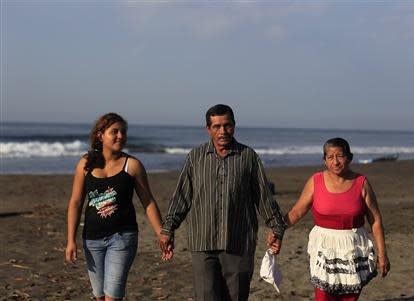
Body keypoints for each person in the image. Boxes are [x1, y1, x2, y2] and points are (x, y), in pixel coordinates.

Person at [159, 104, 286, 301]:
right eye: (216, 126)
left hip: (238, 242)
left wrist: (276, 228)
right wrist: (168, 229)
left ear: (234, 126)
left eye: (227, 125)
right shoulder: (195, 157)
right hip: (203, 242)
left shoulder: (248, 157)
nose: (222, 131)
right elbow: (181, 198)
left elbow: (263, 197)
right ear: (208, 129)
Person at [65, 113, 171, 301]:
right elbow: (75, 202)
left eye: (123, 132)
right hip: (92, 240)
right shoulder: (85, 164)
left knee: (112, 297)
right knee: (99, 296)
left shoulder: (133, 166)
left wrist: (161, 233)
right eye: (114, 132)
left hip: (122, 238)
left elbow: (148, 202)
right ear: (100, 135)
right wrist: (70, 240)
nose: (120, 136)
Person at [285, 137, 390, 301]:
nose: (335, 161)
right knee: (323, 296)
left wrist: (382, 254)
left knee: (350, 297)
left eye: (340, 156)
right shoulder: (315, 181)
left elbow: (375, 220)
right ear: (324, 160)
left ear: (349, 157)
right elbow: (296, 212)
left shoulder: (361, 183)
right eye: (330, 157)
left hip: (353, 250)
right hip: (324, 248)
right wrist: (277, 230)